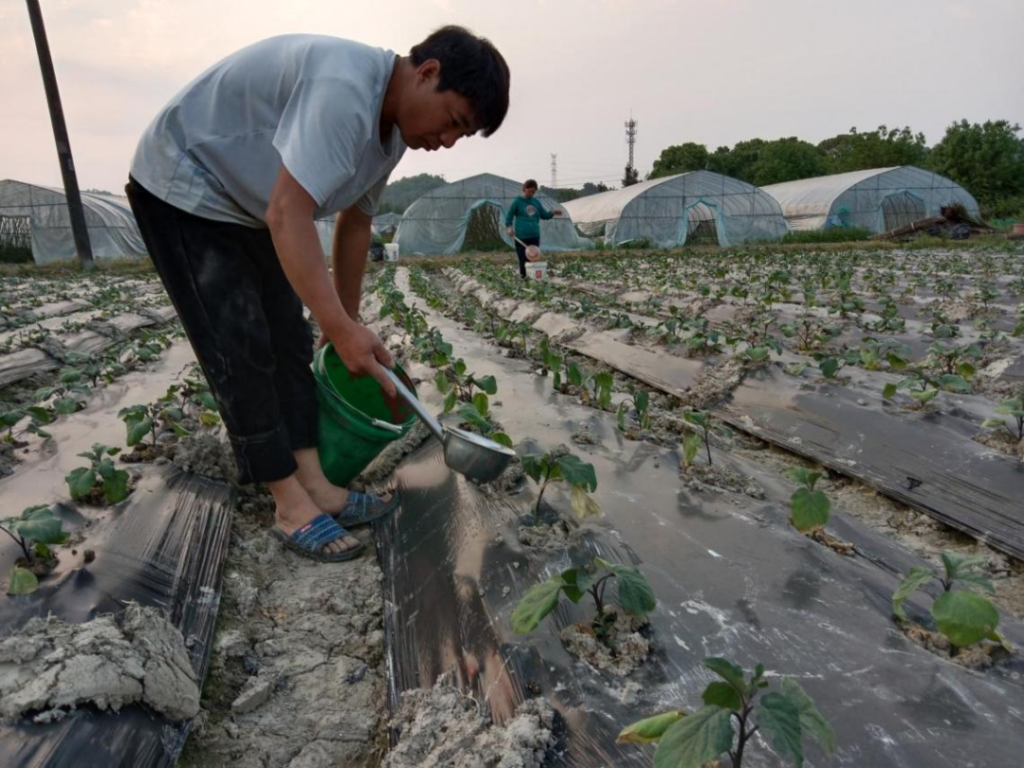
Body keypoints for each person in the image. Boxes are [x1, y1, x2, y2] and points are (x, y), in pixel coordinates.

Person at [125, 27, 510, 562]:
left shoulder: (392, 131)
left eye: (460, 136)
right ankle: (288, 503)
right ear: (428, 73)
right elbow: (289, 212)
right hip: (185, 183)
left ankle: (315, 481)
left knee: (289, 338)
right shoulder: (346, 91)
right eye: (453, 123)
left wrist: (343, 326)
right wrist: (340, 327)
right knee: (242, 347)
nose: (446, 142)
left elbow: (355, 224)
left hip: (248, 203)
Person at [505, 179, 561, 278]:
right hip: (521, 236)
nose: (531, 194)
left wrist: (552, 213)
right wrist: (509, 227)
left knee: (533, 258)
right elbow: (509, 216)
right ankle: (523, 278)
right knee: (523, 259)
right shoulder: (517, 202)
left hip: (534, 235)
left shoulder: (536, 202)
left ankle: (533, 278)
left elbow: (544, 215)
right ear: (524, 189)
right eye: (529, 191)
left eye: (533, 192)